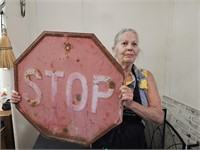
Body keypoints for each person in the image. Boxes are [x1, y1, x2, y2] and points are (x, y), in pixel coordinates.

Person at [11, 28, 164, 149]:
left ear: (138, 50)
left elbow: (158, 117)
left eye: (134, 44)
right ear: (114, 49)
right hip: (102, 139)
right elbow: (61, 95)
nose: (130, 48)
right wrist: (24, 98)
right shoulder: (95, 75)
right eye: (124, 43)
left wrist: (132, 104)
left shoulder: (145, 77)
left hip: (133, 142)